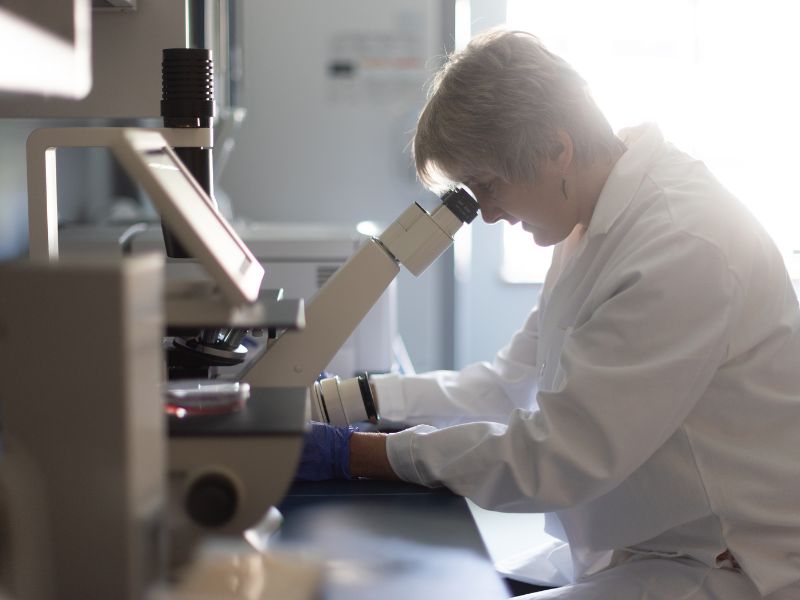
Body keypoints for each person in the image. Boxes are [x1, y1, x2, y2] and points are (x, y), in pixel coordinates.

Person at [296, 28, 800, 600]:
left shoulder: (680, 244)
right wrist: (338, 402)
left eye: (486, 185)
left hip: (736, 563)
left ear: (556, 149)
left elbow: (557, 456)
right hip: (652, 539)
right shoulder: (595, 218)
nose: (485, 215)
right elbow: (510, 382)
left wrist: (358, 454)